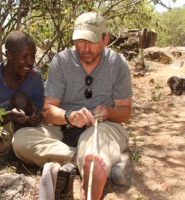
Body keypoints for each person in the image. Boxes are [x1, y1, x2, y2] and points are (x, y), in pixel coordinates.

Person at [12, 12, 133, 199]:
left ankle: (90, 180)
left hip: (101, 127)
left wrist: (108, 111)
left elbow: (125, 112)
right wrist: (69, 116)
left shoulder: (117, 64)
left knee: (96, 142)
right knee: (20, 140)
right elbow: (48, 110)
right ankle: (89, 160)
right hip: (62, 128)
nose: (85, 48)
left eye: (91, 41)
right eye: (80, 41)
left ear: (105, 40)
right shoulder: (61, 61)